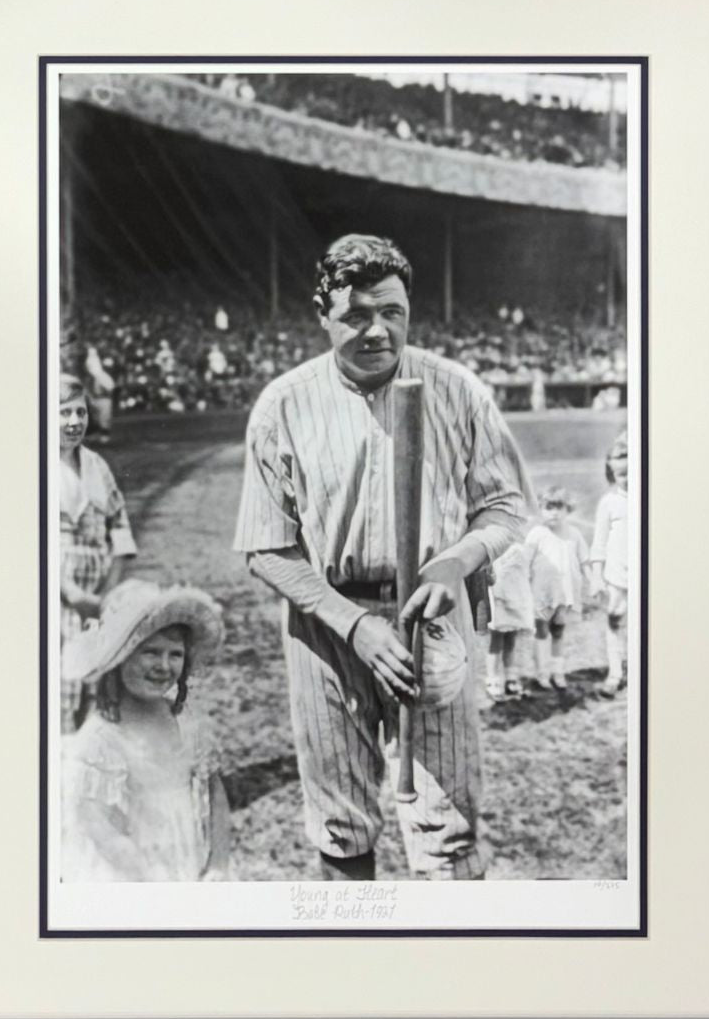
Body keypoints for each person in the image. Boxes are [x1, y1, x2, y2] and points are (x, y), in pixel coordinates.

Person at [233, 233, 533, 882]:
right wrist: (356, 626)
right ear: (323, 315)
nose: (378, 330)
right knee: (341, 824)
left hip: (432, 619)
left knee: (449, 830)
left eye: (392, 312)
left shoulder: (457, 389)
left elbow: (507, 506)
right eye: (357, 315)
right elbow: (267, 546)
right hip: (327, 624)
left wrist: (457, 561)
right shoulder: (284, 404)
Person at [61, 580, 229, 882]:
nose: (163, 665)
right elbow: (97, 825)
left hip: (188, 860)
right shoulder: (102, 741)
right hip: (133, 874)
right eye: (150, 652)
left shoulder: (186, 721)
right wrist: (151, 880)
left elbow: (215, 793)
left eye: (175, 654)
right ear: (118, 659)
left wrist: (218, 863)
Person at [59, 374, 136, 732]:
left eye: (81, 412)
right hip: (55, 595)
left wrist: (108, 592)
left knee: (97, 684)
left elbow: (120, 529)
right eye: (64, 413)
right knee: (61, 683)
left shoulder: (96, 465)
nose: (74, 422)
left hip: (98, 593)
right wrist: (71, 593)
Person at [526, 486, 591, 691]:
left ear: (568, 509)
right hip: (542, 593)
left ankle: (558, 672)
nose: (554, 512)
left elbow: (584, 560)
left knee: (559, 631)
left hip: (566, 593)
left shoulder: (574, 534)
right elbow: (525, 563)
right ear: (541, 509)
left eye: (559, 507)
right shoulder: (537, 534)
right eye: (548, 507)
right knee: (541, 631)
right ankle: (542, 674)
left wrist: (593, 581)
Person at [590, 431, 629, 697]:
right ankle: (615, 673)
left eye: (631, 471)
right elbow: (599, 543)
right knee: (615, 619)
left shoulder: (653, 496)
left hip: (649, 576)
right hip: (617, 575)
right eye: (621, 474)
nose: (627, 478)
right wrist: (596, 577)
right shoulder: (609, 503)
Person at [485, 539, 534, 701]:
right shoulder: (495, 547)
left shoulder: (520, 548)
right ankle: (492, 680)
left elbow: (524, 575)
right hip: (500, 599)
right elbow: (494, 575)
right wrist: (499, 596)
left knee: (511, 640)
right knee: (496, 641)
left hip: (517, 598)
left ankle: (510, 679)